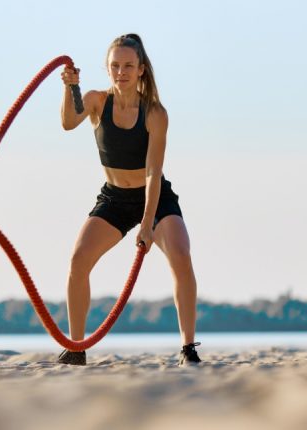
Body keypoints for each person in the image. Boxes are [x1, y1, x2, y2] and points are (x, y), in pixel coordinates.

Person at [57, 33, 201, 366]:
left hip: (154, 196)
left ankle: (188, 347)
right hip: (115, 197)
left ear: (141, 70)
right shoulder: (96, 100)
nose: (121, 72)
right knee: (79, 260)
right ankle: (76, 347)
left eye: (128, 66)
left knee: (180, 253)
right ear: (107, 68)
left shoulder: (155, 113)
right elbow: (67, 122)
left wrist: (149, 224)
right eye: (115, 65)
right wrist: (70, 87)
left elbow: (153, 173)